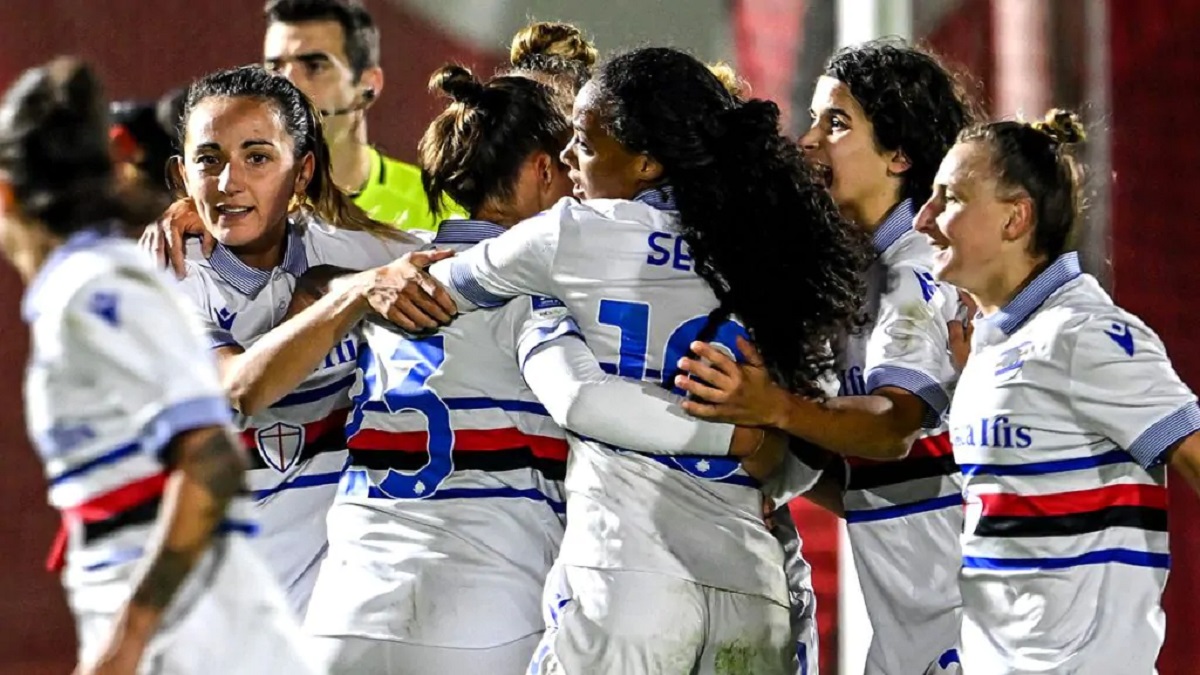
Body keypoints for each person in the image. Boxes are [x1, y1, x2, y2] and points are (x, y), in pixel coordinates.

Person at [386, 46, 865, 674]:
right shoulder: (780, 257)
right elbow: (803, 456)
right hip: (753, 588)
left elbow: (428, 287)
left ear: (646, 162)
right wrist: (756, 443)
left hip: (625, 580)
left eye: (585, 143)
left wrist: (541, 320)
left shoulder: (573, 233)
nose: (567, 157)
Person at [1, 57, 316, 674]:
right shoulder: (99, 284)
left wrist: (129, 638)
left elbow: (211, 461)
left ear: (6, 195)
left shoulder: (94, 292)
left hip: (194, 637)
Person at [674, 39, 976, 674]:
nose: (809, 140)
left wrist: (775, 409)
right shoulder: (855, 275)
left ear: (899, 154)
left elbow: (893, 429)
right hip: (912, 628)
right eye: (813, 119)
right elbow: (881, 478)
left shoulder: (915, 271)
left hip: (968, 622)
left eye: (836, 123)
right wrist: (765, 473)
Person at [914, 109, 1200, 674]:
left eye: (950, 198)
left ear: (1015, 218)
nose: (924, 218)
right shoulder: (990, 345)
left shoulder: (1083, 334)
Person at [166, 64, 429, 615]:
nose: (229, 182)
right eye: (208, 160)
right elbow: (241, 388)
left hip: (331, 613)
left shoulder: (359, 253)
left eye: (257, 157)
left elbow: (487, 255)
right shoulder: (169, 279)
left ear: (303, 170)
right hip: (213, 614)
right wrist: (344, 294)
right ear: (182, 176)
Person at [262, 0, 447, 233]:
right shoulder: (233, 204)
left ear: (369, 85)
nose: (289, 84)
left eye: (314, 66)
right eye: (275, 68)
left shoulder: (438, 213)